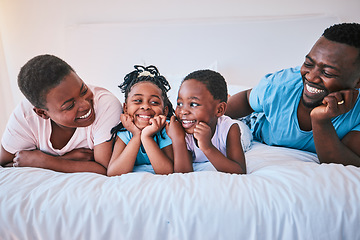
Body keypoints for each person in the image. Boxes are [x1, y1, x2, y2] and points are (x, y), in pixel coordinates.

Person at [226, 22, 360, 167]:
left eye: (327, 73)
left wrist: (320, 120)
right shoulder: (280, 85)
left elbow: (343, 161)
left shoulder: (357, 113)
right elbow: (246, 99)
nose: (311, 77)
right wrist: (214, 113)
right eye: (308, 64)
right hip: (253, 122)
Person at [0, 54, 122, 174]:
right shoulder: (26, 118)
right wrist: (64, 159)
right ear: (42, 113)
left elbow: (104, 168)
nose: (85, 105)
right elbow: (5, 163)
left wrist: (46, 162)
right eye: (69, 106)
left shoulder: (105, 105)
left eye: (84, 90)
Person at [166, 69, 252, 174]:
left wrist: (207, 147)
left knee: (248, 125)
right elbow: (183, 173)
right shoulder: (182, 131)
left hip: (243, 136)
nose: (183, 111)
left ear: (219, 109)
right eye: (179, 103)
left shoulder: (230, 128)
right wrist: (178, 139)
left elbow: (239, 171)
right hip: (212, 119)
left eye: (193, 104)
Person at [107, 65, 174, 176]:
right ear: (126, 108)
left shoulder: (166, 130)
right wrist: (136, 135)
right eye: (138, 100)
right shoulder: (125, 132)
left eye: (154, 102)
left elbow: (167, 172)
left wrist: (146, 137)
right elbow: (114, 173)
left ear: (165, 111)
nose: (145, 106)